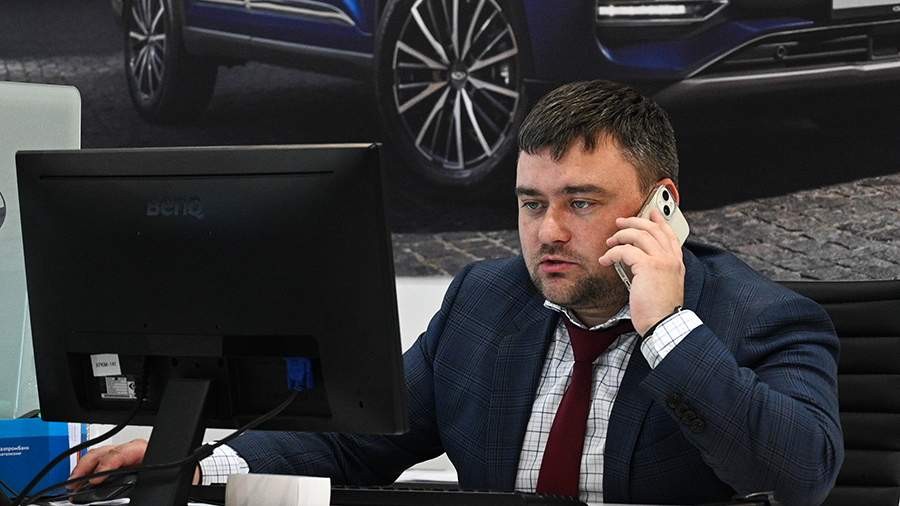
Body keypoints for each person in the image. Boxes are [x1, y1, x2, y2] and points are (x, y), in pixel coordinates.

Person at [71, 80, 843, 505]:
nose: (547, 232)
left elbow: (799, 476)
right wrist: (195, 464)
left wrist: (666, 331)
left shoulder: (760, 317)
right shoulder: (485, 300)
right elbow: (359, 440)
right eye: (531, 204)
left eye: (580, 202)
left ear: (660, 207)